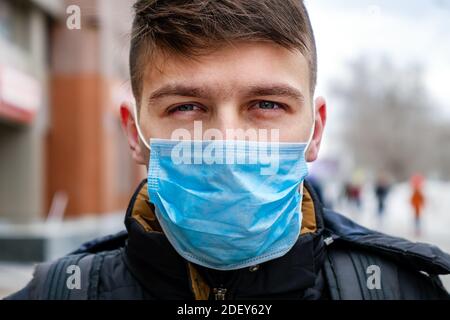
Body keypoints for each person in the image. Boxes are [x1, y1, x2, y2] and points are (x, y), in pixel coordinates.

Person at [7, 0, 450, 300]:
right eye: (186, 106)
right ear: (133, 132)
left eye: (266, 104)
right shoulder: (61, 291)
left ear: (315, 131)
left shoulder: (399, 289)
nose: (226, 141)